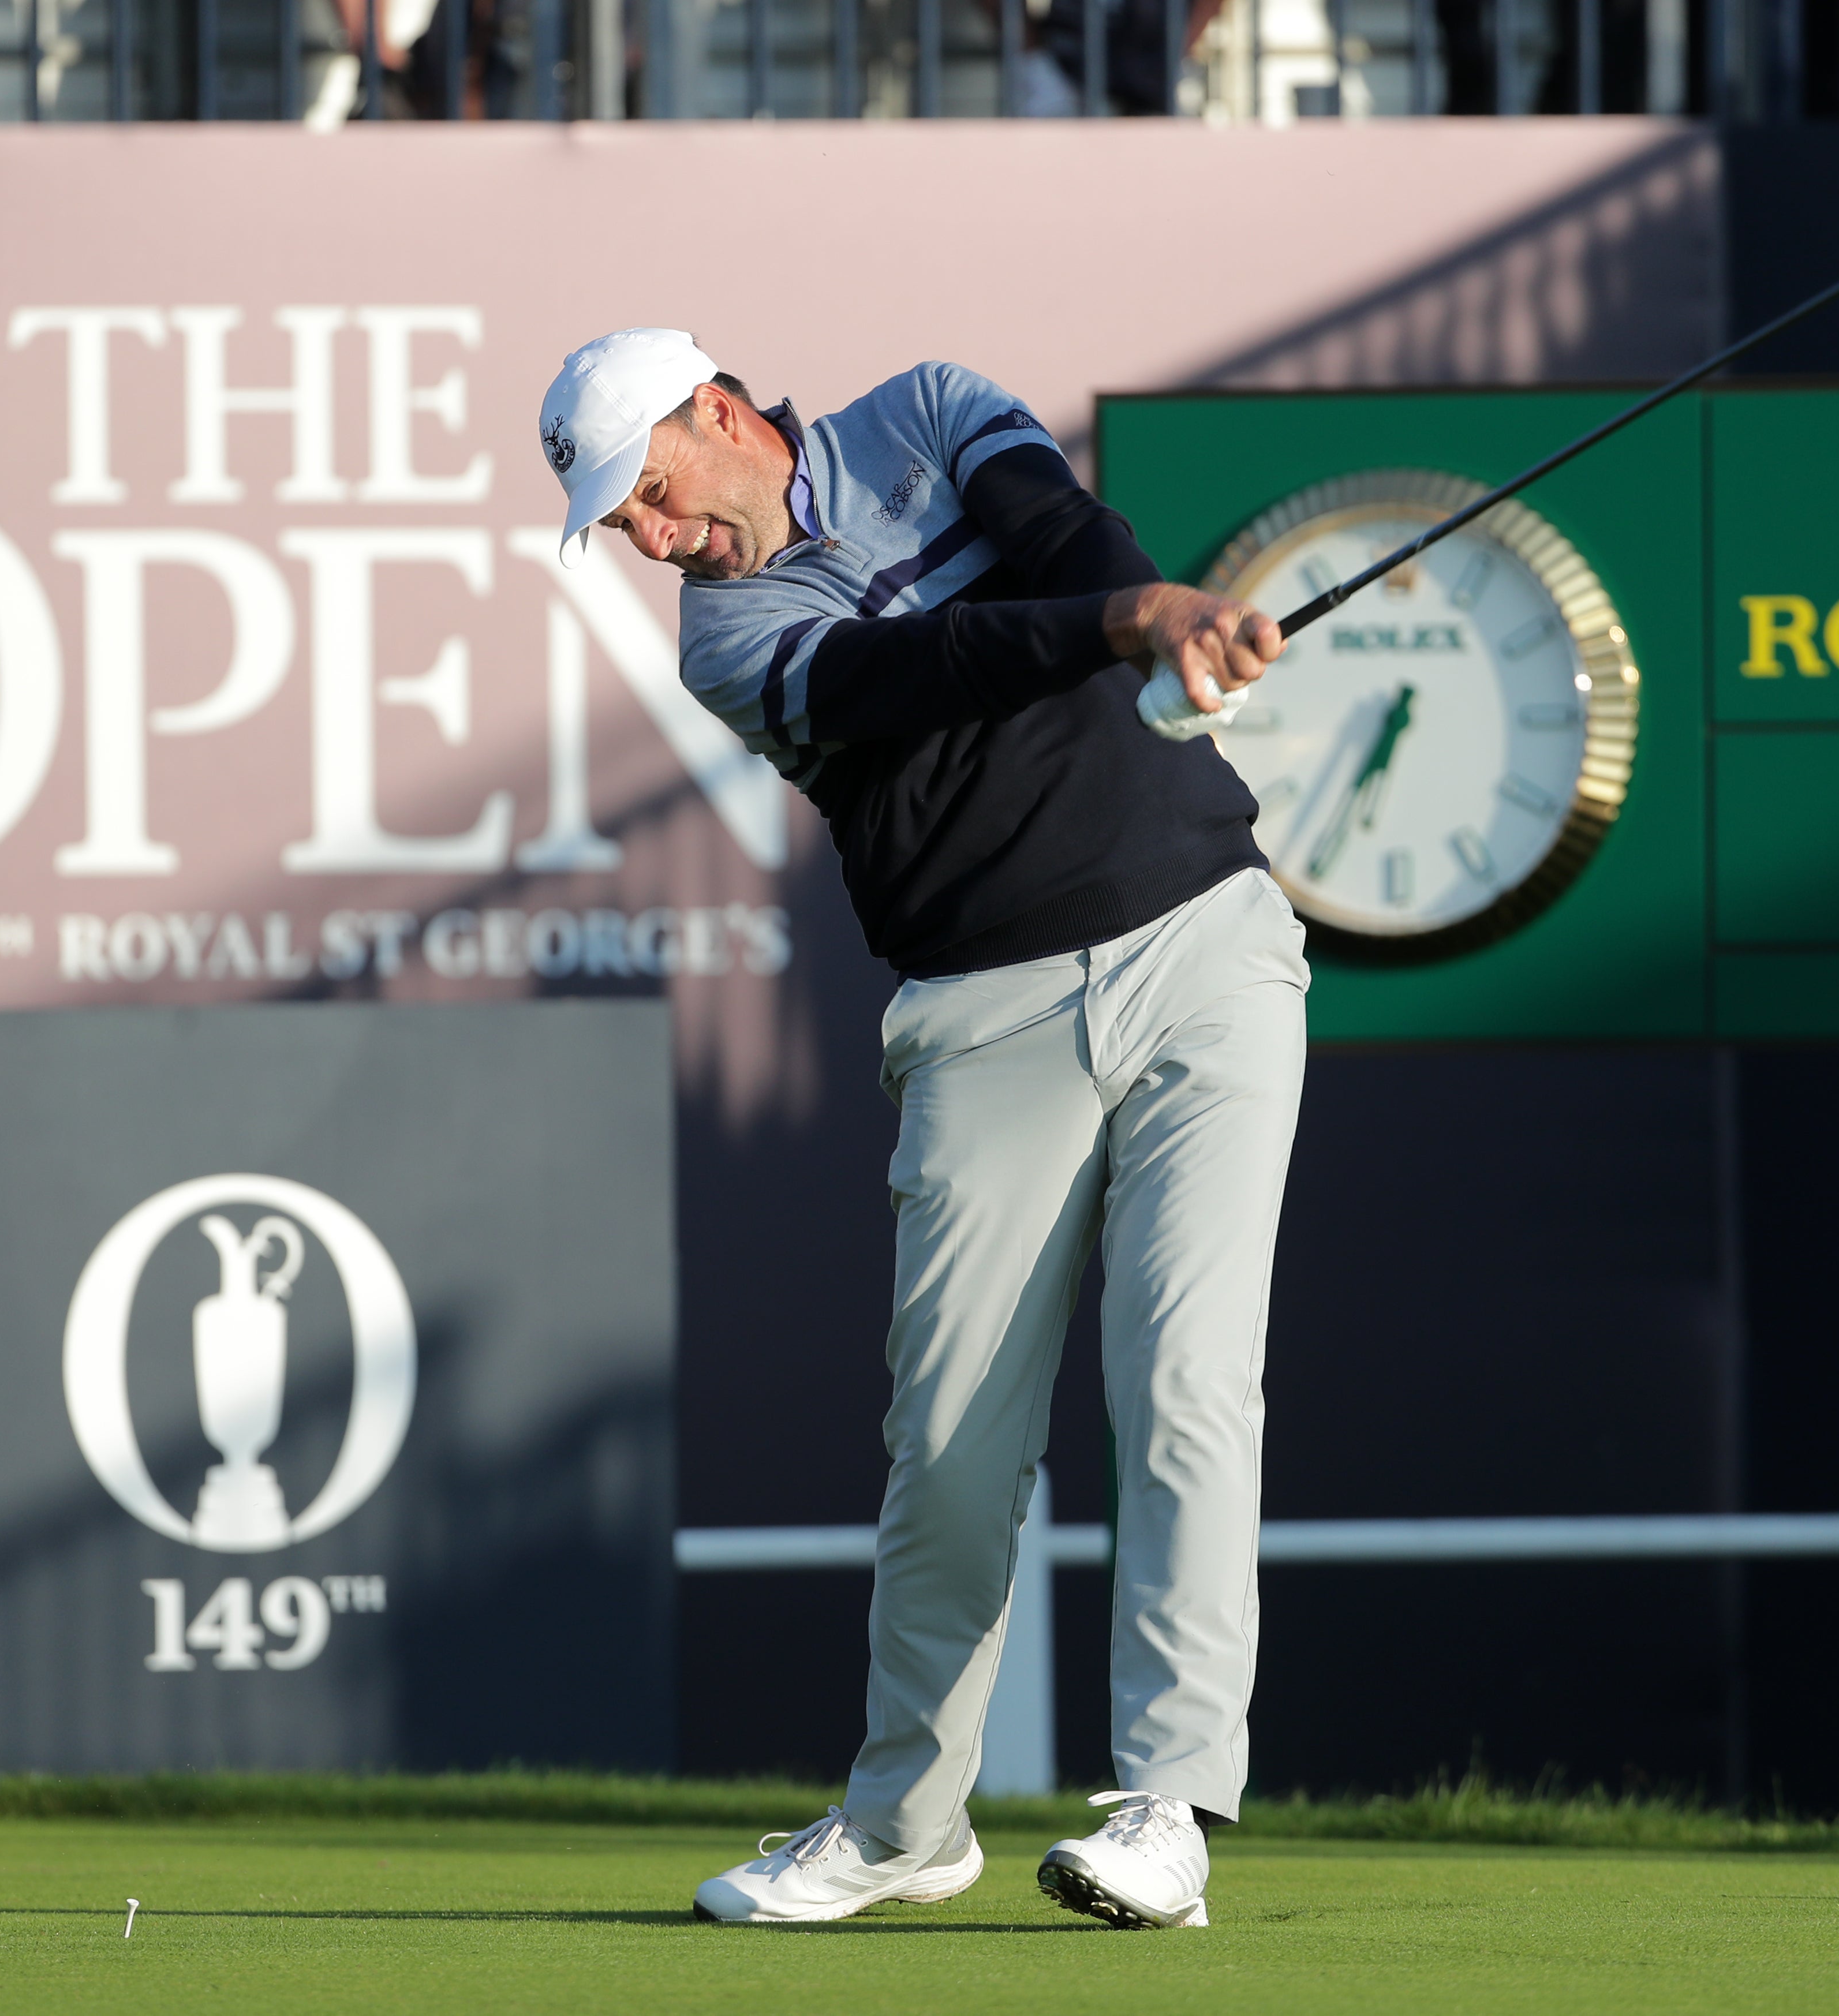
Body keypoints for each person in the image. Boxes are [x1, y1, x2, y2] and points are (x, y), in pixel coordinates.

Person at [536, 329, 1307, 1929]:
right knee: (951, 1448)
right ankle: (903, 1829)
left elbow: (1066, 539)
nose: (660, 546)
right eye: (631, 532)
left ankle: (1169, 1808)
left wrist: (1151, 617)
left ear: (724, 414)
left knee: (1182, 1374)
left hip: (1205, 947)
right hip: (984, 1013)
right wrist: (1129, 626)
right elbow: (923, 676)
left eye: (659, 499)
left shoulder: (934, 412)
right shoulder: (728, 641)